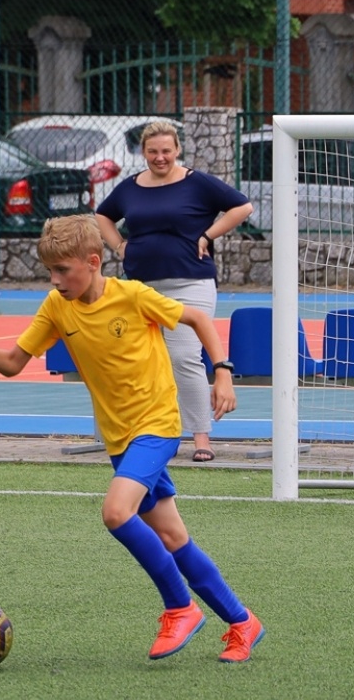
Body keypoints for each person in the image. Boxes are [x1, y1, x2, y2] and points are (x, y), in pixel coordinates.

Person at [0, 214, 264, 662]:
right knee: (175, 538)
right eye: (51, 272)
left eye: (64, 271)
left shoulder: (133, 296)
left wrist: (223, 374)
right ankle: (242, 622)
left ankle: (180, 609)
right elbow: (13, 363)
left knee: (116, 513)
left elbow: (198, 318)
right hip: (120, 442)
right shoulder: (57, 307)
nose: (56, 281)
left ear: (94, 262)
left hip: (156, 426)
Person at [95, 119, 253, 463]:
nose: (160, 157)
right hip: (139, 287)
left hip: (190, 283)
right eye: (153, 151)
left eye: (166, 151)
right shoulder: (130, 187)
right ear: (144, 153)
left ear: (177, 149)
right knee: (137, 360)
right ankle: (141, 433)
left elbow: (243, 206)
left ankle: (200, 437)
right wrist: (119, 245)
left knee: (183, 357)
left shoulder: (198, 183)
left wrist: (208, 235)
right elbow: (103, 216)